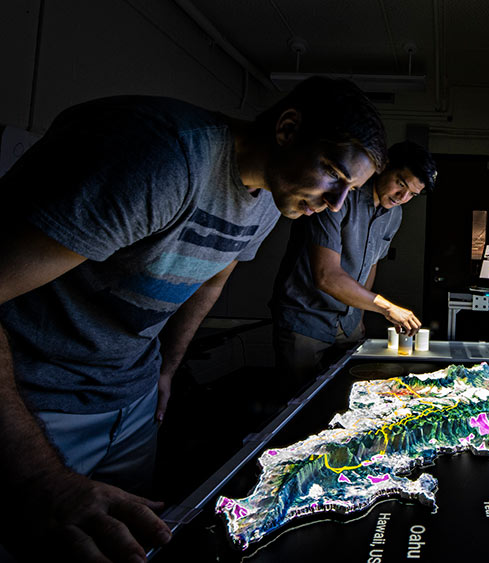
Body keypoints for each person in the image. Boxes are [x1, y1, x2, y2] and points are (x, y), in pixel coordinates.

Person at [0, 76, 386, 562]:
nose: (336, 203)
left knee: (125, 543)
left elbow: (209, 282)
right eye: (333, 174)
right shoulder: (162, 158)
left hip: (132, 393)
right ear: (287, 129)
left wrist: (166, 368)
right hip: (36, 399)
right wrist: (39, 475)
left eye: (350, 190)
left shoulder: (270, 200)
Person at [269, 140, 437, 398]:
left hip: (348, 326)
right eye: (401, 184)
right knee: (300, 402)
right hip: (306, 318)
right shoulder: (339, 197)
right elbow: (326, 276)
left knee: (344, 399)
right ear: (384, 167)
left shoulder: (394, 214)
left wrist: (358, 315)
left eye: (412, 195)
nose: (402, 198)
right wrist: (387, 308)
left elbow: (371, 264)